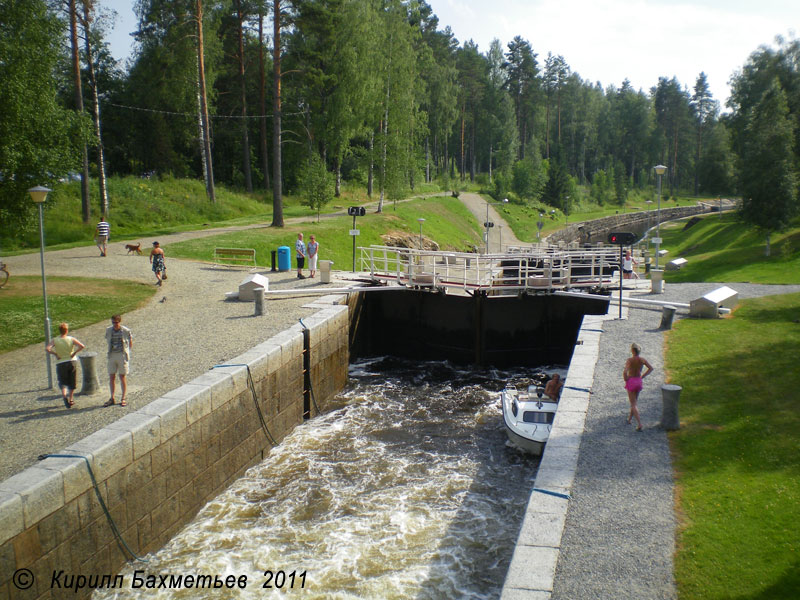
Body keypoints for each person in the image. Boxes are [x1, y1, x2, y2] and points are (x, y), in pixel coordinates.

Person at [46, 322, 86, 408]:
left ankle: (64, 396)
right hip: (71, 361)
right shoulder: (71, 339)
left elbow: (48, 348)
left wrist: (55, 354)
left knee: (63, 381)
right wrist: (74, 353)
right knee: (72, 380)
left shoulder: (55, 340)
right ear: (66, 330)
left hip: (60, 363)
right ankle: (71, 398)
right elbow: (82, 346)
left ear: (59, 330)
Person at [623, 343, 653, 431]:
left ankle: (639, 424)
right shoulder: (642, 360)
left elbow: (625, 372)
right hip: (638, 381)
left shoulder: (630, 360)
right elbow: (651, 368)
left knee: (633, 404)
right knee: (634, 401)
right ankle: (629, 419)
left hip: (631, 381)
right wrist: (643, 376)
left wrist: (626, 379)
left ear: (632, 351)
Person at [104, 314, 133, 407]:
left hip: (121, 354)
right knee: (111, 376)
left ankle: (123, 398)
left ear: (120, 322)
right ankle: (112, 397)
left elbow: (130, 340)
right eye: (113, 322)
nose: (115, 324)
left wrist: (128, 352)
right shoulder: (108, 330)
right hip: (112, 354)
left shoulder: (125, 330)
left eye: (116, 322)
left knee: (122, 377)